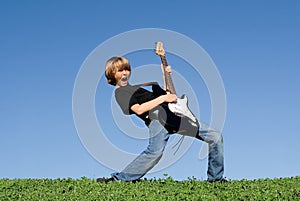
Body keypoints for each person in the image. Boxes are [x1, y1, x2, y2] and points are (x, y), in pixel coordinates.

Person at [97, 56, 226, 183]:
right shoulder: (121, 93)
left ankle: (216, 179)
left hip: (174, 117)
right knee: (155, 153)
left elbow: (165, 94)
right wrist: (163, 99)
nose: (125, 72)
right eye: (120, 70)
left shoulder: (138, 89)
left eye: (127, 69)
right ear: (111, 74)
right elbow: (139, 109)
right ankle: (119, 179)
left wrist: (165, 74)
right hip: (158, 121)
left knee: (215, 137)